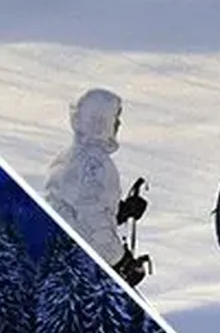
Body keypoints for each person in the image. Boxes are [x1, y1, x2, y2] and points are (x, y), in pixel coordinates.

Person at [44, 88, 149, 288]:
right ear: (100, 122)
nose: (118, 125)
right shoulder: (96, 164)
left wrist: (120, 211)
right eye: (114, 119)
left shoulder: (68, 157)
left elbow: (75, 209)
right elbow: (94, 224)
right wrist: (120, 263)